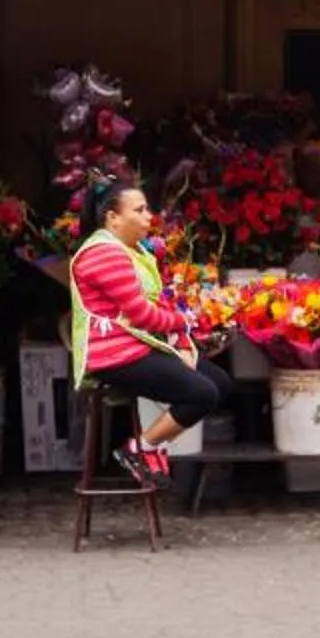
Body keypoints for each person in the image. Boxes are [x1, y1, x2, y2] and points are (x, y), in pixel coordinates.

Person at [70, 177, 231, 491]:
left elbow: (155, 304)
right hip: (115, 355)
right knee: (202, 393)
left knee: (220, 384)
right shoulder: (104, 254)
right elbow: (142, 315)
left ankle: (150, 447)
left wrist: (181, 338)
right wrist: (184, 322)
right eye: (140, 210)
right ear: (112, 218)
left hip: (141, 345)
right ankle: (141, 448)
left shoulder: (132, 251)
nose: (149, 217)